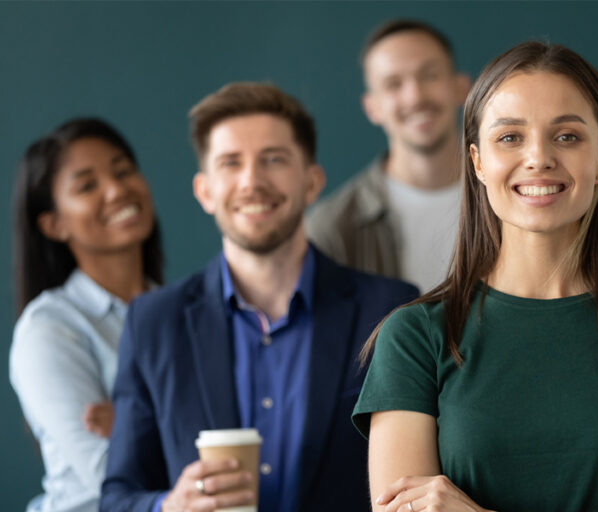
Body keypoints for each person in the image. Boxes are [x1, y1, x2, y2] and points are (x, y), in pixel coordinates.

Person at [353, 41, 598, 512]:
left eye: (568, 136)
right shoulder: (413, 337)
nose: (539, 158)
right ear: (477, 162)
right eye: (510, 137)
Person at [99, 83, 418, 512]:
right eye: (231, 163)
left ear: (311, 182)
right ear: (205, 191)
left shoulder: (390, 309)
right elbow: (117, 498)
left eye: (273, 159)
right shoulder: (153, 322)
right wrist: (167, 507)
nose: (251, 181)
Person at [10, 118, 164, 512]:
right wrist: (164, 424)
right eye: (87, 185)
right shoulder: (49, 329)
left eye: (123, 170)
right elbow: (111, 480)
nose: (117, 190)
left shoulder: (178, 310)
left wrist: (132, 426)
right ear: (53, 224)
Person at [305, 19, 470, 292]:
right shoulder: (331, 231)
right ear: (372, 108)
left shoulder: (514, 198)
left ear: (461, 87)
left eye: (430, 75)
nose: (415, 96)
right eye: (394, 84)